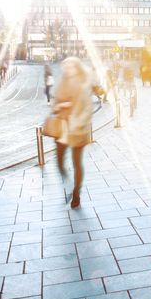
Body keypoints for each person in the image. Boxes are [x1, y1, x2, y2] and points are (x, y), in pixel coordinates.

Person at [52, 58, 92, 208]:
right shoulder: (62, 82)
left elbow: (88, 109)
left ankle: (76, 194)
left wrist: (78, 122)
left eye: (70, 65)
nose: (67, 68)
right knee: (59, 163)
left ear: (76, 67)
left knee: (77, 163)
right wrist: (61, 104)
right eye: (65, 65)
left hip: (77, 130)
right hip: (61, 128)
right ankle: (69, 186)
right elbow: (55, 105)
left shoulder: (83, 83)